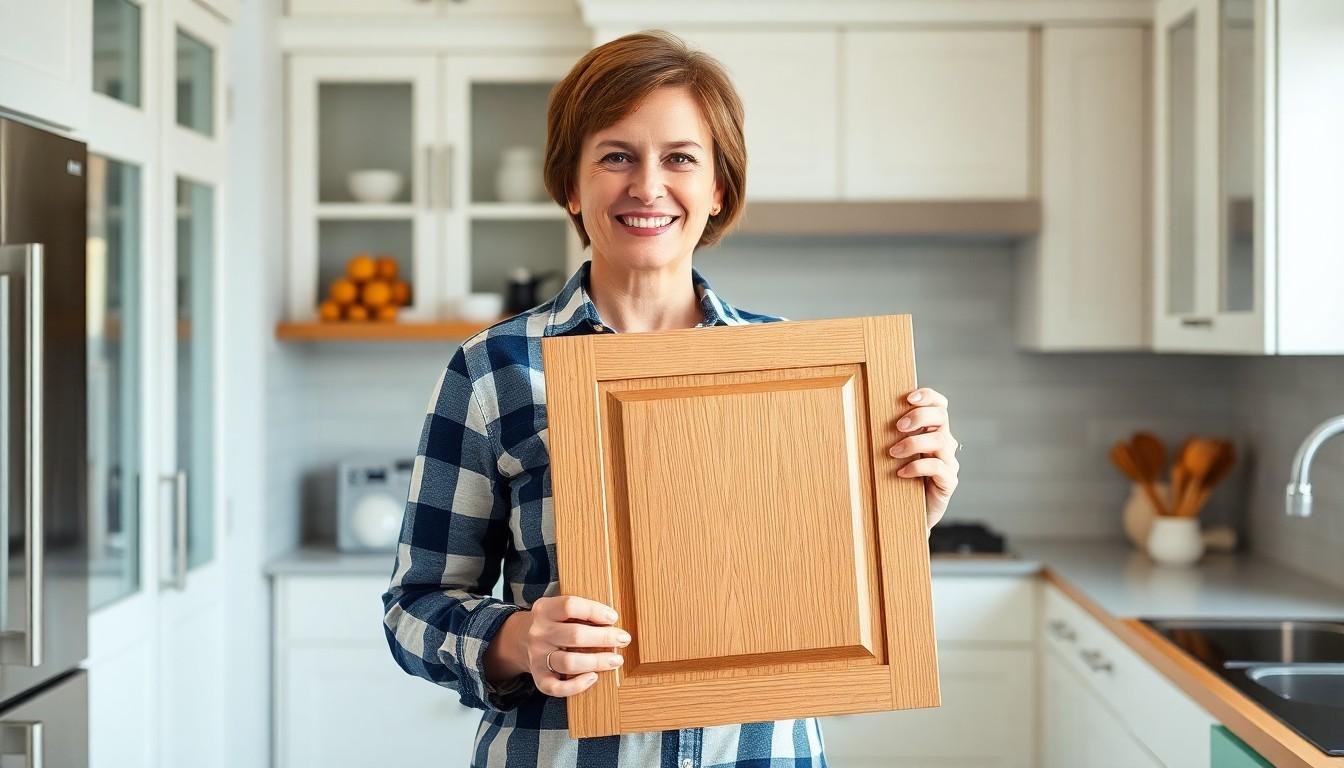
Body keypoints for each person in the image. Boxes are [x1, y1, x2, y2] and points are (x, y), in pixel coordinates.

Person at [381, 30, 962, 767]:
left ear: (719, 188)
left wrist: (904, 517)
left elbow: (825, 601)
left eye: (680, 158)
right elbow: (414, 607)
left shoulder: (805, 377)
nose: (647, 186)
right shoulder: (492, 369)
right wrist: (517, 640)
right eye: (616, 156)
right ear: (571, 183)